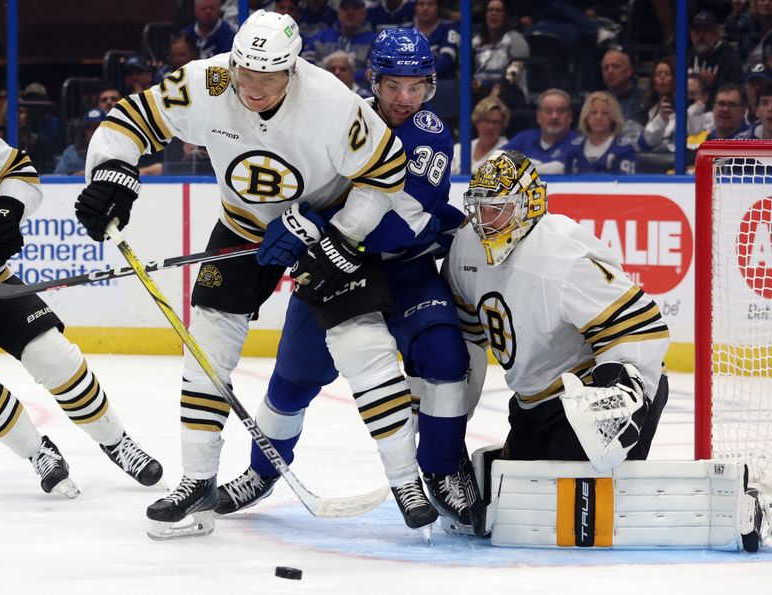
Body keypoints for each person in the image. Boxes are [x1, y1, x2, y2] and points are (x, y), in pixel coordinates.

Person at [74, 11, 430, 539]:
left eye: (268, 79)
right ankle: (197, 478)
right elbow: (129, 120)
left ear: (293, 70)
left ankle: (406, 481)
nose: (254, 88)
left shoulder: (332, 103)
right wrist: (110, 171)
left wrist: (335, 232)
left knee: (364, 346)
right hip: (243, 225)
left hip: (324, 226)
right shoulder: (210, 80)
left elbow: (387, 174)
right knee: (208, 346)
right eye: (246, 74)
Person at [214, 27, 476, 535]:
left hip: (403, 267)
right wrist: (292, 221)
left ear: (429, 87)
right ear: (374, 80)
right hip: (332, 273)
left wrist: (320, 229)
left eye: (416, 86)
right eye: (394, 85)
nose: (405, 99)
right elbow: (302, 188)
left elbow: (403, 217)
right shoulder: (336, 118)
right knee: (292, 381)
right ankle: (262, 471)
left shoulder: (429, 132)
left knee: (445, 355)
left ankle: (443, 469)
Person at [442, 148, 669, 476]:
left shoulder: (562, 255)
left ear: (529, 205)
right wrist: (450, 411)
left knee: (566, 510)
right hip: (532, 400)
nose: (486, 223)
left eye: (498, 210)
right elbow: (467, 335)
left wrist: (623, 399)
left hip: (589, 396)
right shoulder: (466, 246)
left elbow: (640, 328)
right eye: (480, 209)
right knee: (514, 507)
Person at [0, 127, 163, 497]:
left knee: (52, 355)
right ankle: (37, 452)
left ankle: (116, 441)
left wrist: (7, 209)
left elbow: (18, 171)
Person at [502, 88, 579, 174]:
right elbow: (495, 163)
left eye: (561, 111)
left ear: (570, 117)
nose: (554, 116)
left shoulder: (578, 144)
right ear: (538, 116)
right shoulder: (524, 138)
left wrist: (523, 166)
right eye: (548, 111)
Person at [304, 0, 378, 87]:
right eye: (345, 7)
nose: (350, 12)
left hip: (359, 92)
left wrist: (348, 77)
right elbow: (305, 65)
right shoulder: (321, 37)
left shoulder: (375, 40)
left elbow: (373, 72)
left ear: (364, 12)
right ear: (338, 11)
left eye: (355, 7)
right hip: (322, 87)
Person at [566, 91, 636, 175]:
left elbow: (626, 185)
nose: (598, 117)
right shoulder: (574, 147)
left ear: (613, 118)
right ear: (586, 117)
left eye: (605, 113)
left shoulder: (624, 149)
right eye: (593, 112)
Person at [472, 0, 529, 102]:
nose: (494, 14)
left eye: (498, 11)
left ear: (505, 16)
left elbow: (516, 66)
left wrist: (499, 87)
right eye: (490, 10)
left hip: (508, 89)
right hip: (480, 89)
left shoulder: (516, 39)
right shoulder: (475, 41)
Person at [688, 10, 744, 97]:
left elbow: (739, 92)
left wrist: (714, 83)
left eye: (706, 30)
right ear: (691, 35)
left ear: (716, 34)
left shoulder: (730, 61)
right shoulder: (686, 59)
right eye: (697, 31)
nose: (701, 35)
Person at [451, 96, 509, 175]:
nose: (490, 126)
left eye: (495, 122)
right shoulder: (459, 149)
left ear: (502, 125)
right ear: (477, 123)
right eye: (486, 121)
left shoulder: (508, 153)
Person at [600, 49, 646, 129]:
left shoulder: (645, 99)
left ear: (629, 71)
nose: (610, 71)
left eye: (615, 66)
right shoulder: (598, 101)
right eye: (606, 68)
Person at [413, 0, 459, 79]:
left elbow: (447, 58)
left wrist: (425, 77)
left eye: (430, 4)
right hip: (409, 82)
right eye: (421, 4)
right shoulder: (405, 30)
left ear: (438, 7)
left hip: (441, 82)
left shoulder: (449, 27)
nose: (425, 8)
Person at [53, 108, 106, 175]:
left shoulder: (115, 150)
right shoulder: (71, 153)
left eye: (98, 126)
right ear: (84, 131)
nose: (94, 131)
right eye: (89, 127)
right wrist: (75, 175)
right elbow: (57, 178)